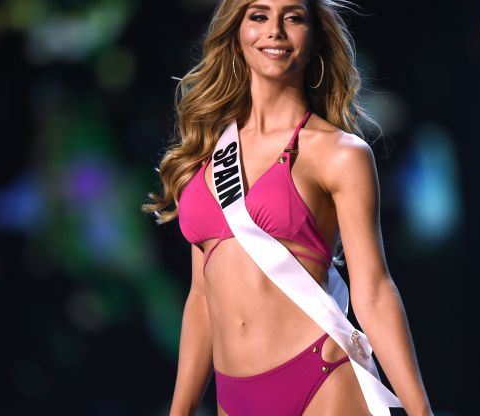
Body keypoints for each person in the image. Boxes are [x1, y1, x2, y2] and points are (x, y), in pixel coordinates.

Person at [144, 0, 433, 414]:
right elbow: (201, 297)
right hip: (235, 400)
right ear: (236, 33)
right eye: (259, 16)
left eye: (293, 18)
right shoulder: (204, 158)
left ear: (313, 37)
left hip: (320, 383)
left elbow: (373, 290)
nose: (275, 30)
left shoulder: (340, 154)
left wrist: (420, 410)